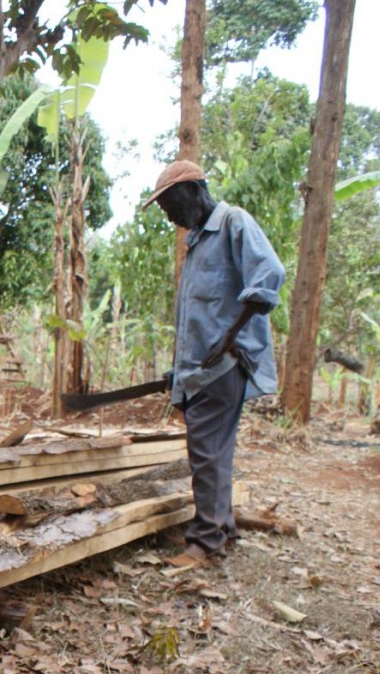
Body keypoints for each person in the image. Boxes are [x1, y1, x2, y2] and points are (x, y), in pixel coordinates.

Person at [143, 160, 286, 565]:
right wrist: (179, 367)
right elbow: (196, 318)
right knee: (215, 452)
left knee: (205, 452)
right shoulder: (196, 242)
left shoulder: (232, 224)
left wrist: (231, 335)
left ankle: (205, 543)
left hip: (222, 368)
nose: (170, 216)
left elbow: (269, 276)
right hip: (199, 370)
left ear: (193, 190)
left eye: (170, 206)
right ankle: (221, 527)